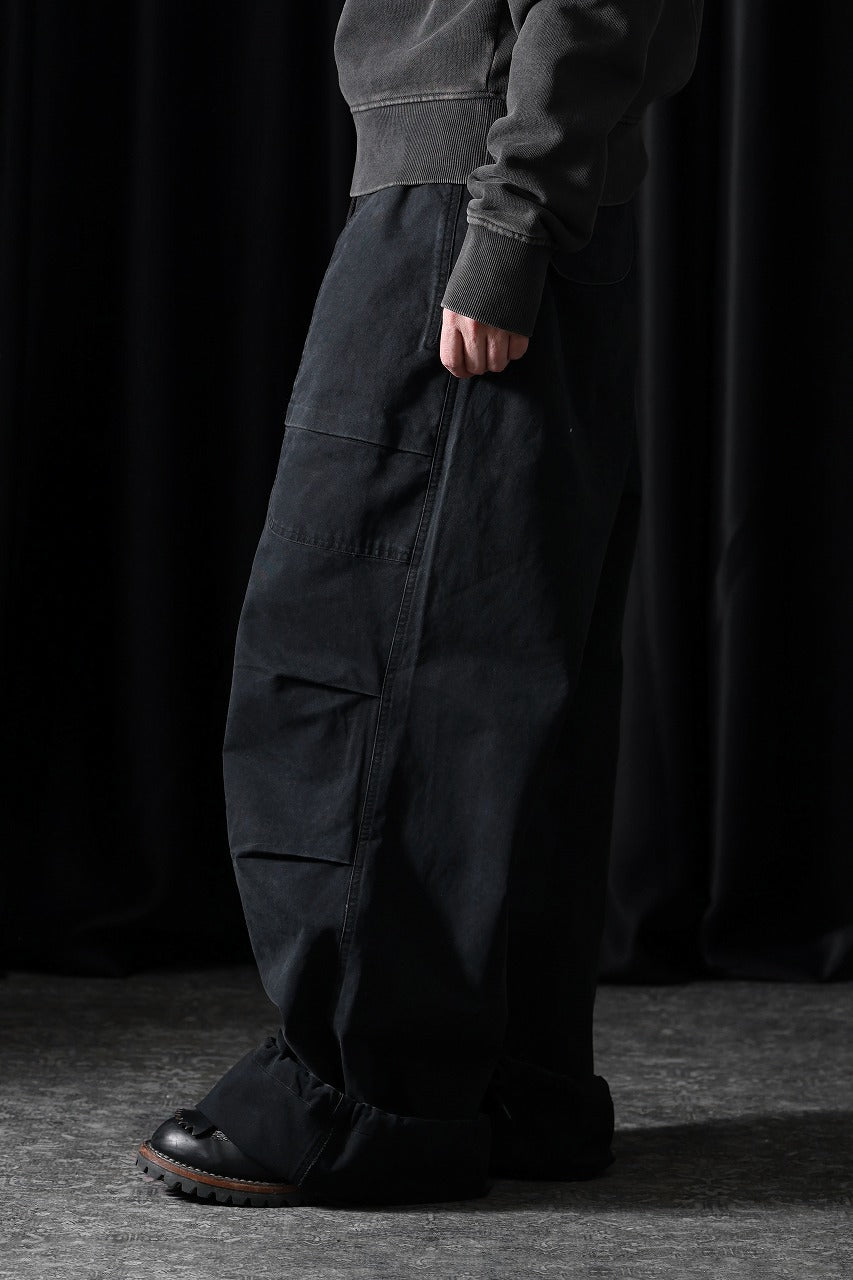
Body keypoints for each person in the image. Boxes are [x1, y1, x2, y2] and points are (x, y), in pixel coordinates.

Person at [136, 0, 704, 1207]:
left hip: (474, 189)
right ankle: (505, 1082)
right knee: (504, 666)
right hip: (504, 179)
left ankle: (362, 1097)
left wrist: (513, 213)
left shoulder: (494, 194)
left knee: (363, 640)